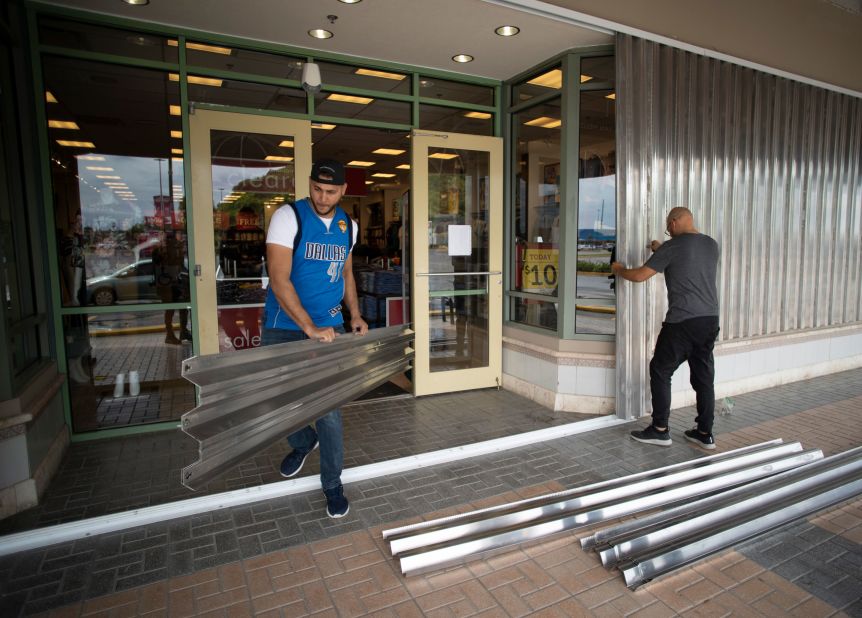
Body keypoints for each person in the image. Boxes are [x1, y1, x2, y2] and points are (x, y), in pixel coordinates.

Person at [262, 159, 367, 519]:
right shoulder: (288, 216)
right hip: (283, 326)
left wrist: (354, 315)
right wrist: (307, 327)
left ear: (343, 191)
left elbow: (346, 273)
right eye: (317, 189)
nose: (323, 197)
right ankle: (303, 441)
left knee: (328, 411)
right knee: (276, 401)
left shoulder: (348, 226)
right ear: (310, 184)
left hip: (329, 326)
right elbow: (279, 279)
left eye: (331, 191)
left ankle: (333, 484)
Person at [611, 207, 720, 450]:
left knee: (660, 369)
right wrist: (660, 248)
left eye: (668, 227)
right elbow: (684, 258)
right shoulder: (710, 245)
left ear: (673, 222)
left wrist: (618, 270)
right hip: (709, 320)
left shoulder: (674, 247)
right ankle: (704, 432)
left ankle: (660, 430)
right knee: (703, 377)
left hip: (682, 322)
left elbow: (640, 275)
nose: (668, 232)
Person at [153, 230, 192, 345]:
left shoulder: (176, 247)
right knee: (170, 309)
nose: (182, 236)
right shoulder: (163, 249)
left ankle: (183, 332)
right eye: (180, 234)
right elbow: (168, 264)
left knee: (183, 307)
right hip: (166, 284)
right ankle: (169, 335)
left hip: (177, 283)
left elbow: (179, 266)